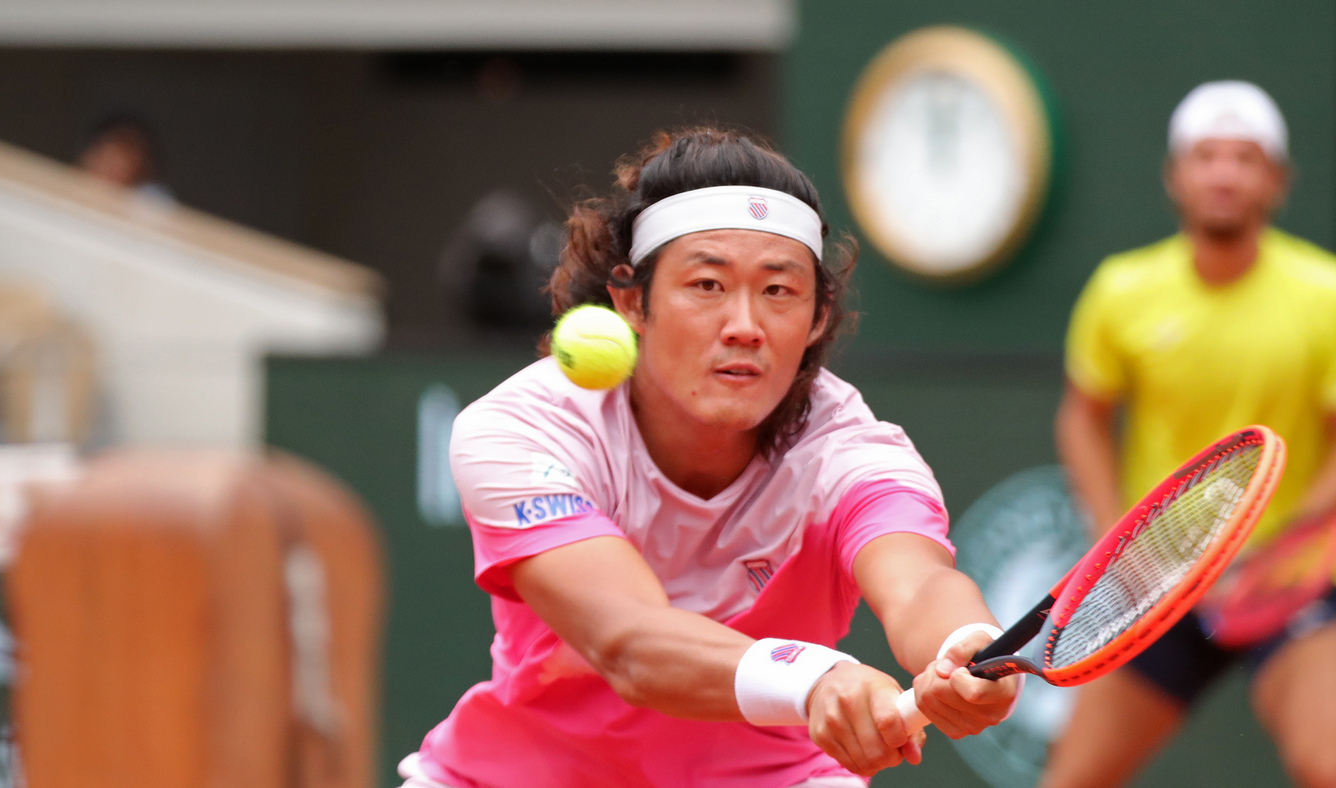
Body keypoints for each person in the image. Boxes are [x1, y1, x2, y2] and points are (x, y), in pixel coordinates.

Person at [395, 128, 1020, 788]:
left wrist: (965, 648)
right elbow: (631, 643)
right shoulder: (524, 430)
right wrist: (815, 679)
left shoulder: (854, 454)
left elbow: (919, 585)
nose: (744, 326)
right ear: (632, 301)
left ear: (817, 317)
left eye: (778, 291)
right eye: (707, 284)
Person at [1044, 82, 1336, 788]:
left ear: (1276, 180)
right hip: (1164, 582)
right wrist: (1121, 545)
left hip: (1286, 582)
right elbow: (1081, 418)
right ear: (1176, 176)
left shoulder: (1326, 292)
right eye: (1206, 157)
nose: (1224, 174)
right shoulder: (1122, 290)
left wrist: (1284, 555)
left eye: (1244, 158)